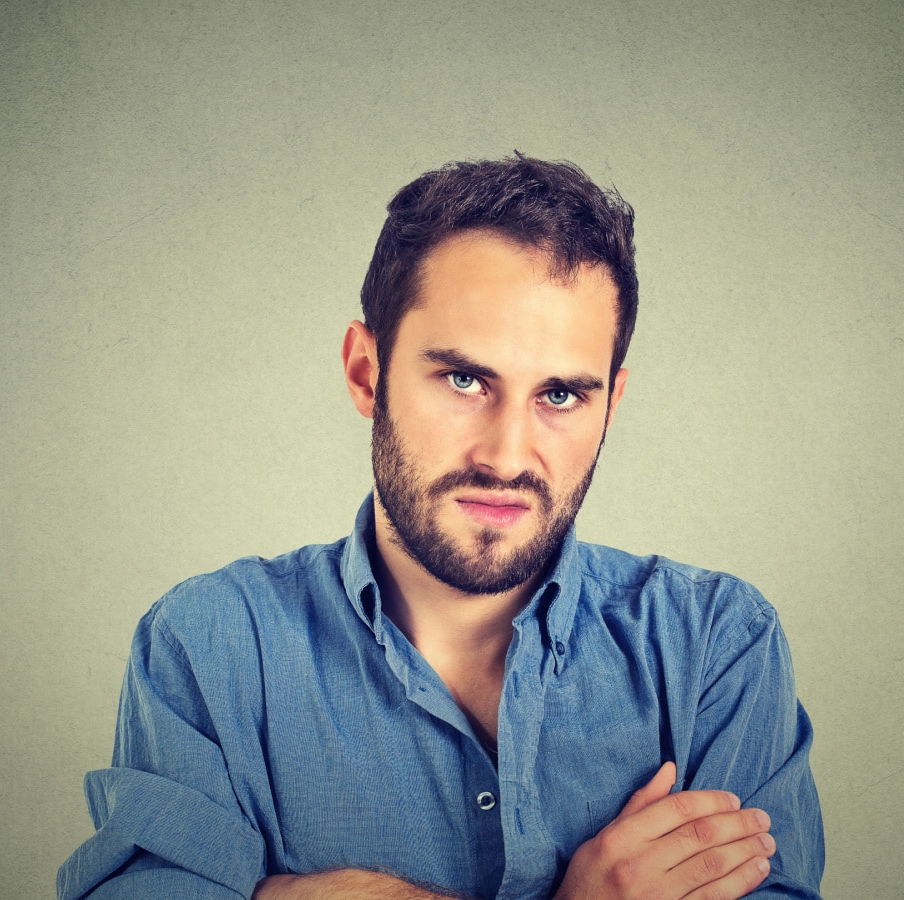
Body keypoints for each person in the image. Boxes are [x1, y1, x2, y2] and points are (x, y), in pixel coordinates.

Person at [58, 155, 825, 900]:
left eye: (560, 395)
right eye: (464, 379)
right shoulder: (209, 645)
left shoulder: (717, 650)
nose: (506, 455)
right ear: (367, 371)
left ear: (611, 405)